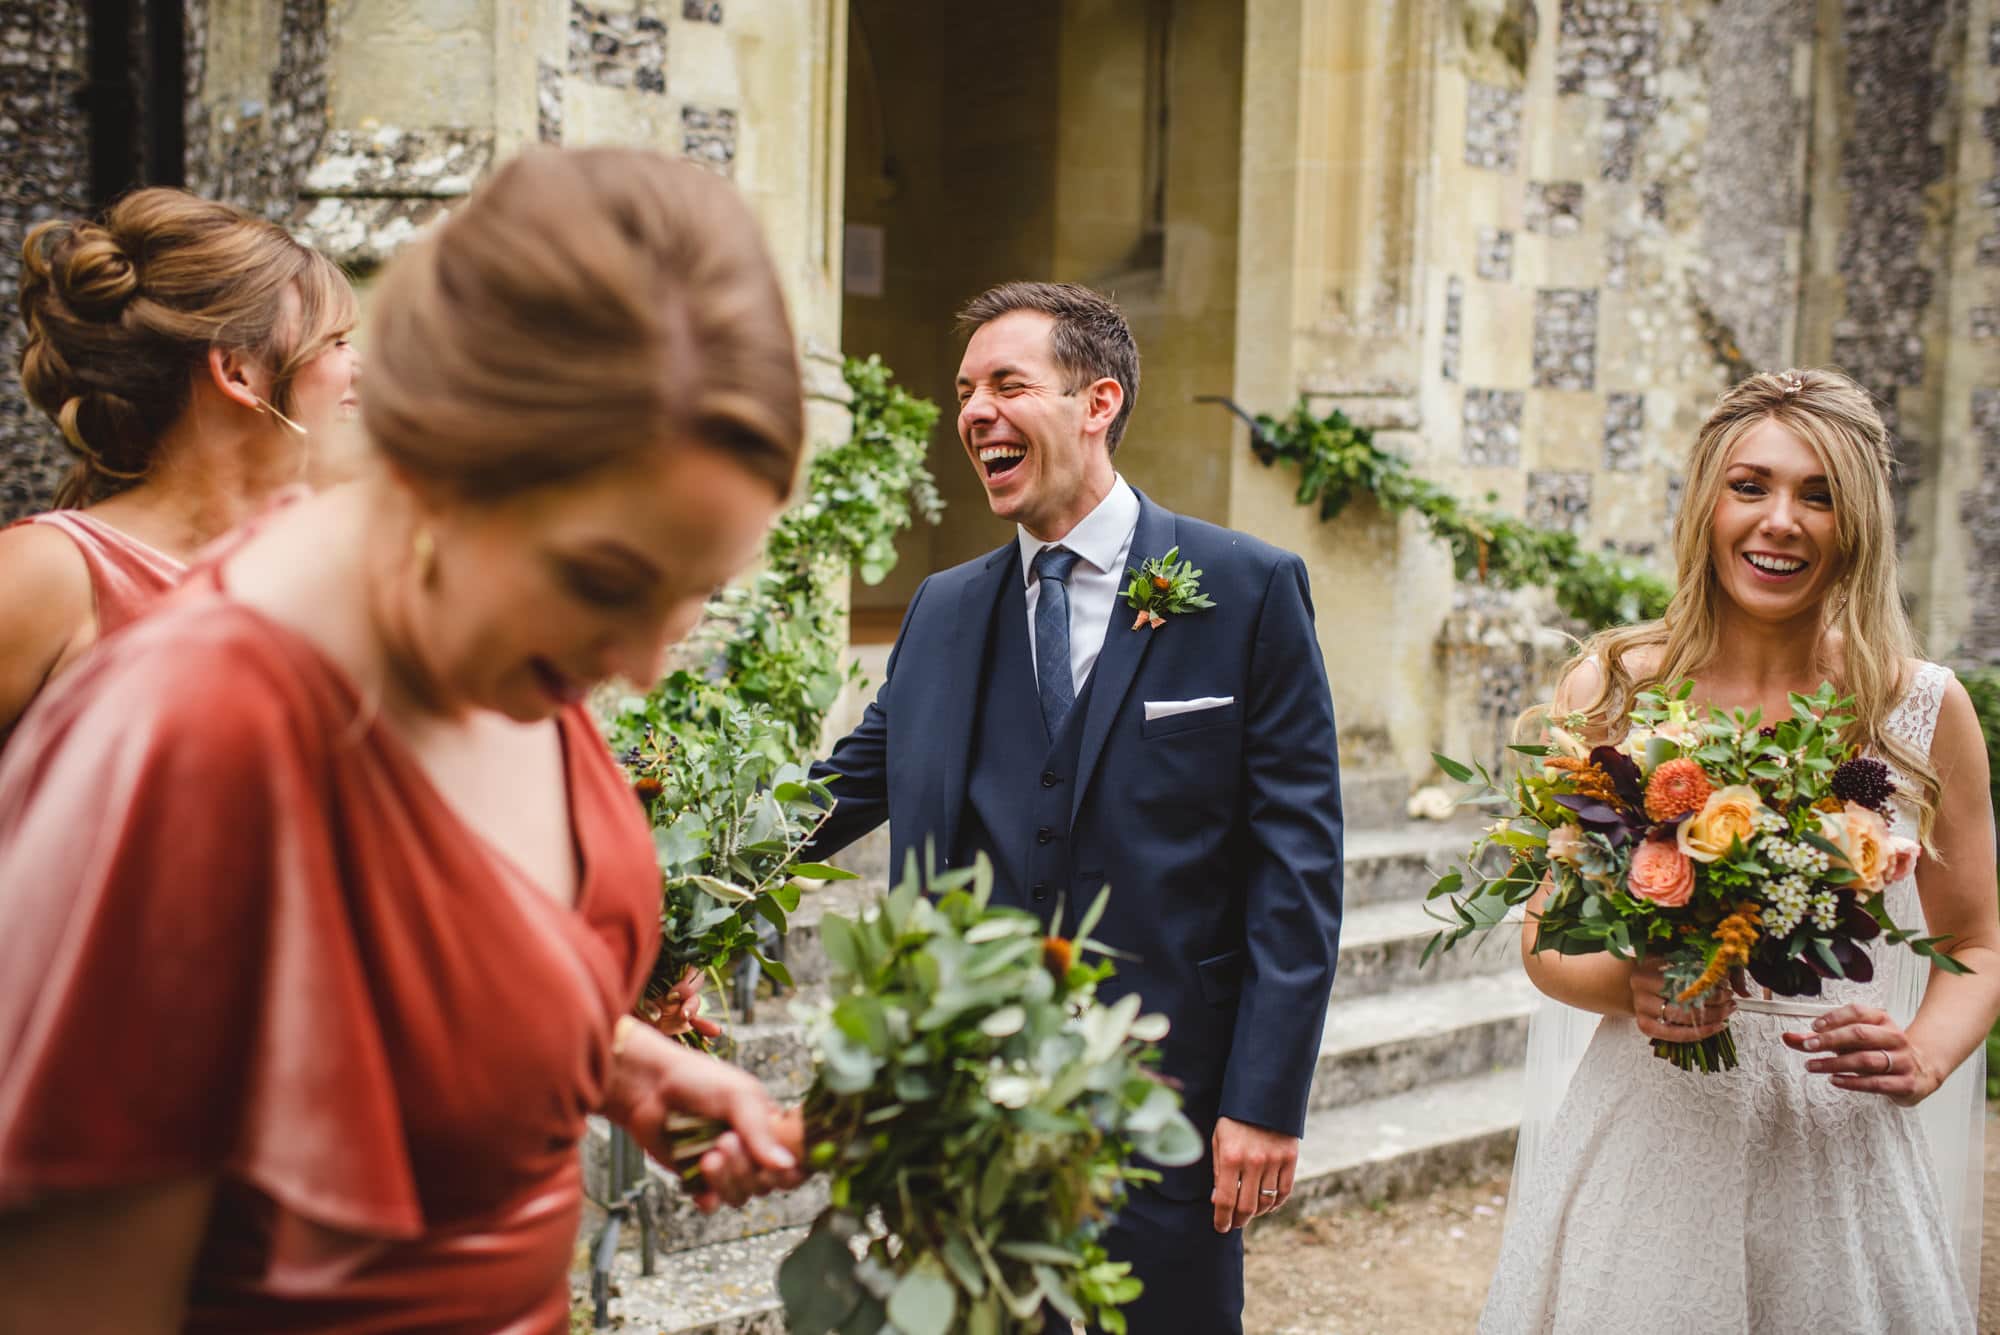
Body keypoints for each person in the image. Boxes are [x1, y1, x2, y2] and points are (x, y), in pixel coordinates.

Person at [0, 147, 806, 1333]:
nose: (639, 662)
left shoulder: (496, 637)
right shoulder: (202, 733)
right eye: (606, 578)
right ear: (437, 459)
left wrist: (625, 1064)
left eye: (689, 591)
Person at [805, 281, 1344, 1333]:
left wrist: (1262, 1101)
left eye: (1007, 384)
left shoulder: (1245, 591)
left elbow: (1296, 872)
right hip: (967, 1101)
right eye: (964, 392)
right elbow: (841, 790)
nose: (973, 412)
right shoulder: (943, 609)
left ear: (1097, 403)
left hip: (1164, 1097)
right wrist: (667, 878)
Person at [1482, 368, 1999, 1333]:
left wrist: (1924, 1054)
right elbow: (1546, 938)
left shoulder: (1919, 709)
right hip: (1651, 1130)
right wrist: (1630, 984)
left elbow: (1978, 944)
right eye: (1751, 485)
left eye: (1820, 495)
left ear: (1860, 526)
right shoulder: (1616, 687)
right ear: (1705, 503)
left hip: (1836, 1141)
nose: (1781, 521)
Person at [0, 188, 362, 749]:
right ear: (237, 372)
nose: (357, 369)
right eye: (335, 341)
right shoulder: (45, 575)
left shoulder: (340, 565)